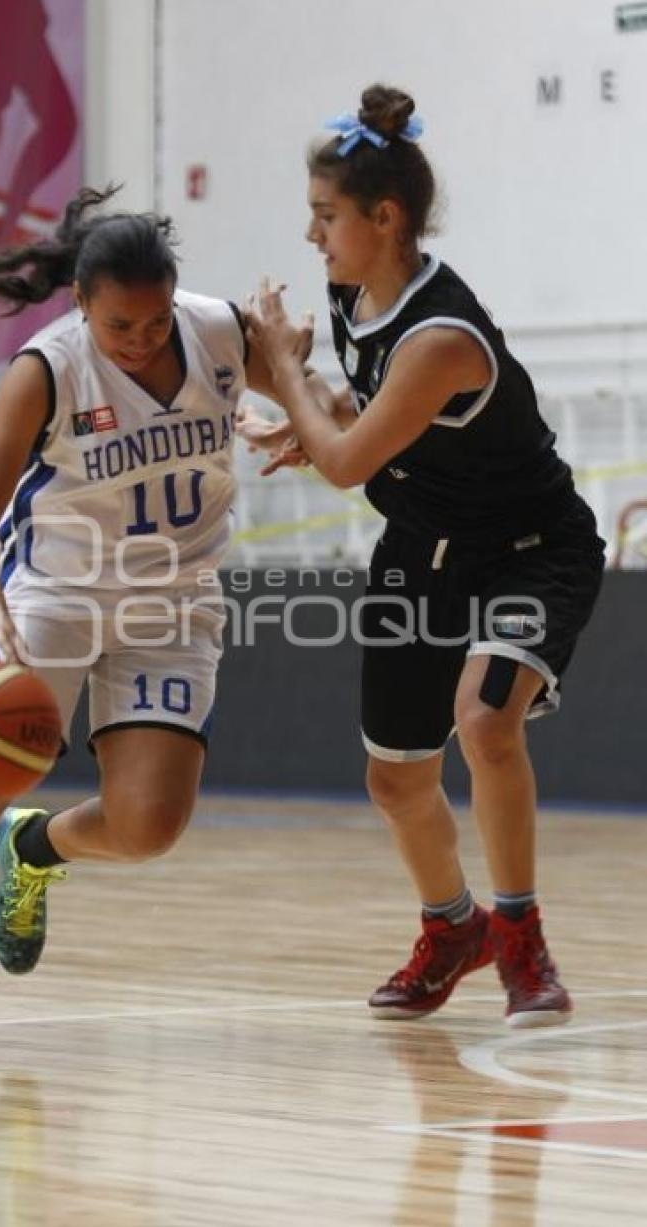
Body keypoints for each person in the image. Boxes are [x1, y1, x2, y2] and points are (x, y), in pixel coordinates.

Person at [0, 184, 336, 1040]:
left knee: (149, 826)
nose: (140, 340)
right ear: (82, 305)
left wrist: (304, 413)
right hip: (54, 593)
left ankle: (35, 850)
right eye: (119, 326)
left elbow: (331, 418)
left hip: (176, 598)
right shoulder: (45, 369)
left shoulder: (221, 333)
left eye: (155, 321)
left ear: (174, 297)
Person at [244, 85, 605, 1028]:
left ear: (384, 215)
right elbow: (364, 422)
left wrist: (289, 378)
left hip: (530, 549)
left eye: (327, 216)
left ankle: (521, 936)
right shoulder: (354, 295)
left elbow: (347, 463)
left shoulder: (441, 334)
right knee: (396, 776)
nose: (314, 234)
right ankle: (454, 927)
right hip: (422, 549)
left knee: (486, 722)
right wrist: (309, 408)